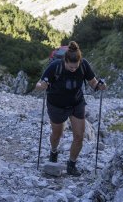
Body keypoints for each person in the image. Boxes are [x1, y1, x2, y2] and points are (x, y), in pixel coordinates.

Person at [34, 41, 106, 176]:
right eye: (70, 67)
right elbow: (38, 85)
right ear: (65, 61)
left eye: (75, 67)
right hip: (56, 105)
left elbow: (92, 82)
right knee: (57, 134)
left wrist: (99, 86)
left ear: (79, 62)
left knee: (79, 136)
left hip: (76, 103)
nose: (73, 69)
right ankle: (54, 151)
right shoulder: (55, 66)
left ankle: (71, 165)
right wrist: (42, 86)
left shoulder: (83, 65)